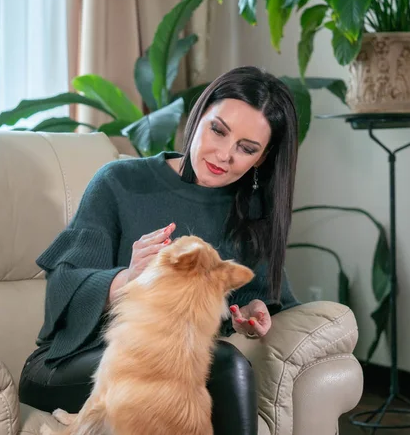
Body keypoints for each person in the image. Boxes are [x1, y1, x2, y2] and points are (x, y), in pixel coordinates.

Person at [18, 65, 301, 435]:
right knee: (221, 364)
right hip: (72, 366)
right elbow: (61, 290)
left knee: (208, 364)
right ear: (198, 118)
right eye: (218, 130)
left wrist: (251, 311)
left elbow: (258, 296)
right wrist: (128, 277)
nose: (224, 154)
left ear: (261, 159)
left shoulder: (251, 215)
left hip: (174, 372)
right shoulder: (120, 183)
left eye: (246, 149)